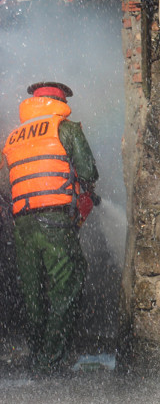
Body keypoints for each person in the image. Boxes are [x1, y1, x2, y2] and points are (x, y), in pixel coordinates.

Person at [1, 81, 99, 373]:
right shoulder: (65, 129)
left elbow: (6, 187)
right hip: (55, 220)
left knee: (33, 291)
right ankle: (52, 360)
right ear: (60, 101)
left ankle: (36, 354)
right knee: (67, 283)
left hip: (23, 225)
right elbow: (89, 171)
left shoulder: (13, 138)